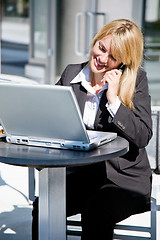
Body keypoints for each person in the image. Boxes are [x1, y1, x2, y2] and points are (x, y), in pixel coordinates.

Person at [32, 19, 152, 240]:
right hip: (83, 173)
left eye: (113, 57)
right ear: (95, 41)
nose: (102, 59)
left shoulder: (135, 81)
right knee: (45, 205)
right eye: (102, 48)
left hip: (123, 179)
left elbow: (143, 135)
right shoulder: (71, 75)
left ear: (125, 62)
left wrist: (114, 100)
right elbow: (51, 118)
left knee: (97, 213)